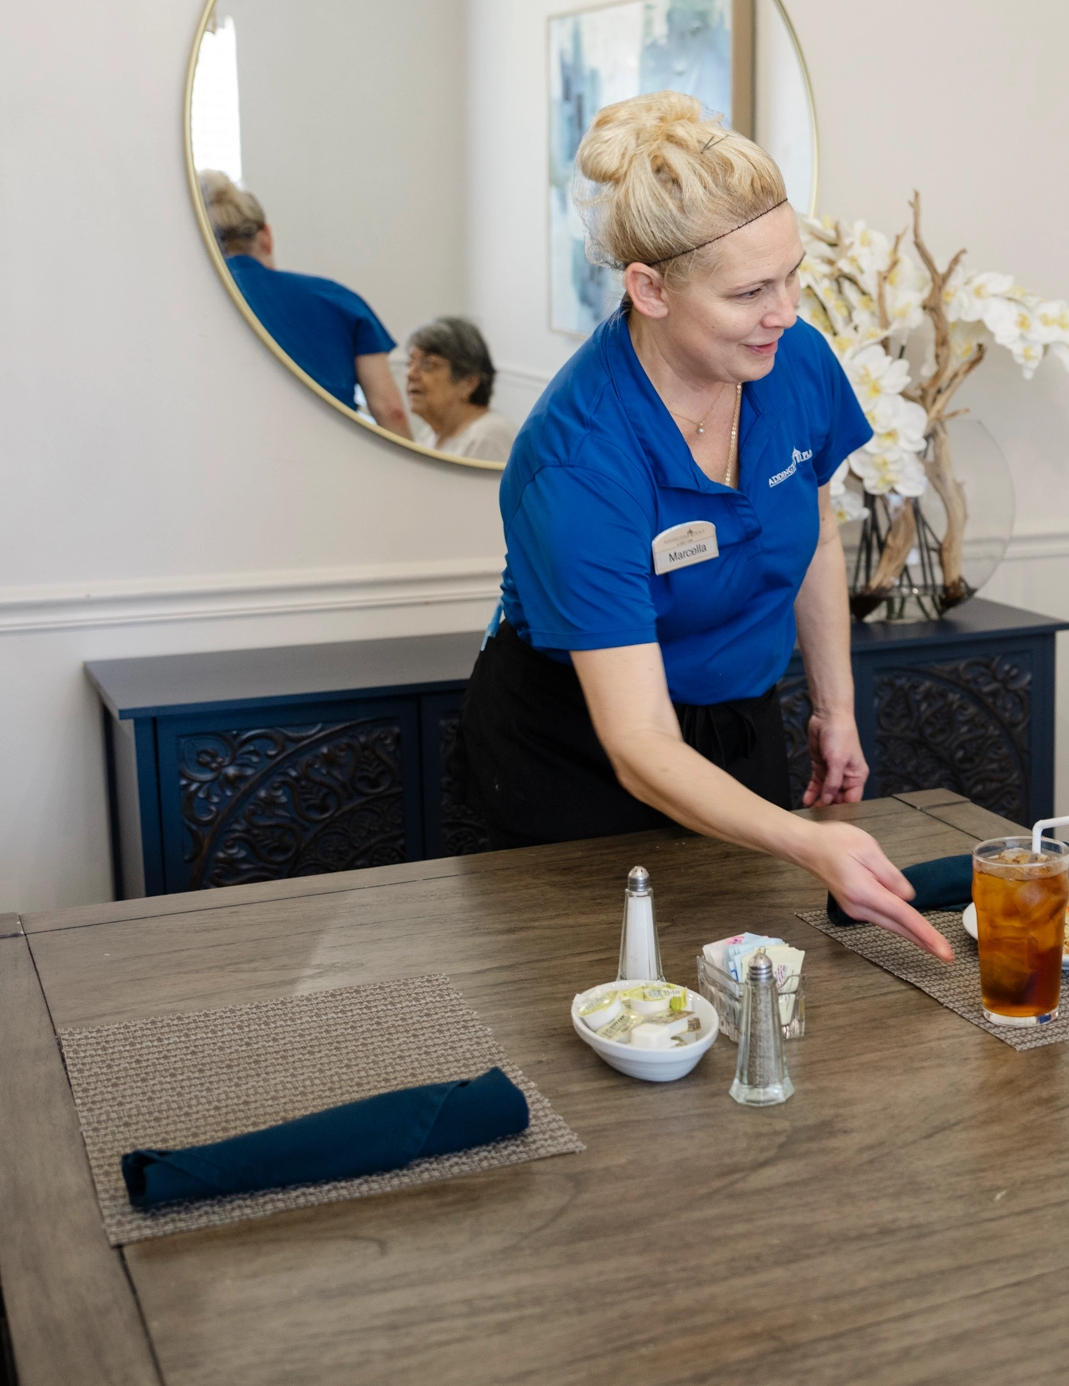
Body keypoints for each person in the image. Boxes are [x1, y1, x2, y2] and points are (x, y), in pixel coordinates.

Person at [456, 92, 949, 960]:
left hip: (739, 720)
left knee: (753, 976)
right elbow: (640, 738)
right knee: (610, 1002)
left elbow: (816, 533)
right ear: (648, 288)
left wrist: (835, 708)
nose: (787, 311)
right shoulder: (578, 461)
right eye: (751, 291)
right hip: (578, 744)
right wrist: (806, 839)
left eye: (794, 275)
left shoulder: (788, 358)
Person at [199, 170, 411, 437]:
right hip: (329, 465)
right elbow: (389, 410)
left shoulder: (195, 312)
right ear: (266, 236)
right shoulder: (338, 300)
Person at [405, 317, 519, 462]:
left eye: (427, 364)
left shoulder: (488, 438)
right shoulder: (430, 434)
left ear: (469, 382)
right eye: (409, 363)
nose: (410, 374)